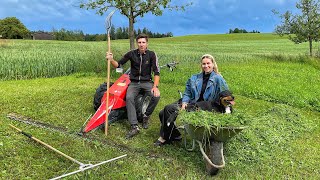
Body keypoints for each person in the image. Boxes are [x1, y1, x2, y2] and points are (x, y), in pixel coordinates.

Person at [154, 54, 230, 146]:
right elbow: (187, 92)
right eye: (204, 64)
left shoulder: (218, 78)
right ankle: (175, 135)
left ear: (213, 64)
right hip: (191, 102)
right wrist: (185, 102)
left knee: (168, 109)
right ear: (201, 65)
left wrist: (226, 109)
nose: (206, 66)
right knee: (162, 113)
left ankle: (165, 137)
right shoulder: (195, 78)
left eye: (208, 63)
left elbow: (226, 95)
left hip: (204, 107)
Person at [106, 33, 160, 139]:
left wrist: (155, 86)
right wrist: (111, 60)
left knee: (156, 96)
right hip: (134, 83)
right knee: (129, 97)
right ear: (137, 43)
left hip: (147, 82)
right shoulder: (131, 54)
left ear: (147, 43)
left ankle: (146, 116)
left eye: (143, 42)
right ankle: (134, 126)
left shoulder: (152, 55)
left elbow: (157, 72)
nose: (141, 44)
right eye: (139, 42)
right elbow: (119, 65)